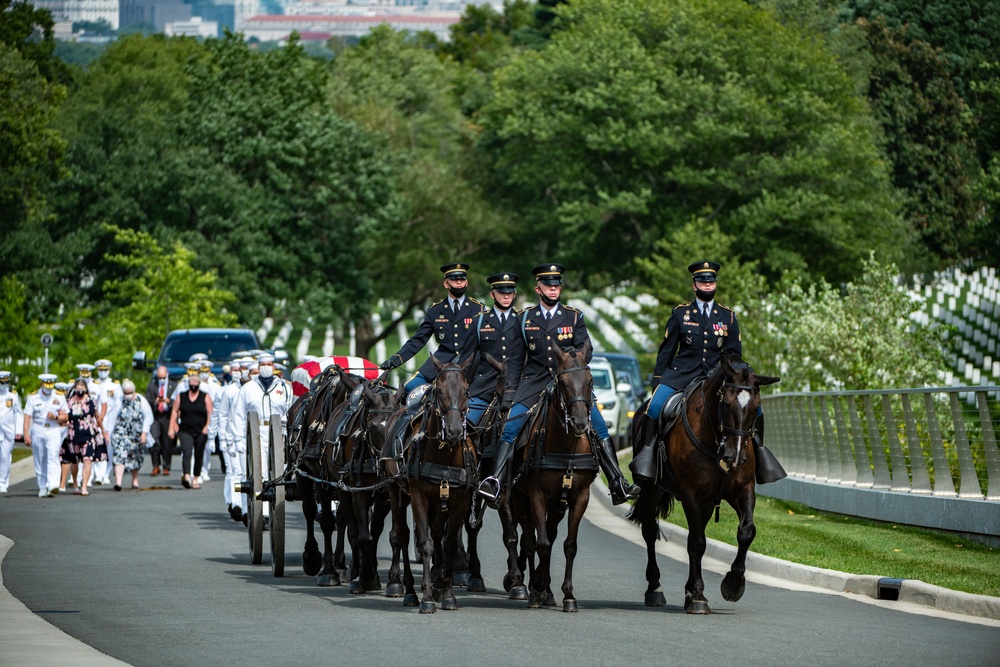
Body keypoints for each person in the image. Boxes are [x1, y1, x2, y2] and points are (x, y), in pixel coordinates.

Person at [478, 264, 640, 506]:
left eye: (557, 286)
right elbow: (513, 360)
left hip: (569, 384)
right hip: (534, 382)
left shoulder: (574, 317)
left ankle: (617, 482)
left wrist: (571, 365)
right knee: (511, 427)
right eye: (548, 286)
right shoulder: (524, 319)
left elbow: (587, 349)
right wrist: (510, 393)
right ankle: (496, 480)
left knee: (597, 426)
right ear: (538, 288)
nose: (553, 290)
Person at [629, 261, 742, 482]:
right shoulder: (681, 314)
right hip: (682, 374)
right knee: (654, 408)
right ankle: (647, 455)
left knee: (752, 410)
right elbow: (667, 350)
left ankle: (759, 454)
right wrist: (658, 381)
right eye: (702, 281)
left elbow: (734, 355)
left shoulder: (727, 316)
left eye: (710, 281)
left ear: (715, 284)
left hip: (716, 377)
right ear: (694, 285)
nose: (707, 285)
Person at [379, 262, 485, 397]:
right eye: (454, 279)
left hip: (469, 362)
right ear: (446, 284)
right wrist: (395, 360)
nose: (459, 282)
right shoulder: (436, 310)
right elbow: (418, 340)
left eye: (462, 279)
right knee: (409, 389)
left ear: (467, 282)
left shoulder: (478, 309)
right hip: (441, 361)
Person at [229, 353, 293, 521]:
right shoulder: (248, 388)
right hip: (257, 433)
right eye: (263, 364)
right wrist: (238, 440)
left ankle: (276, 506)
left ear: (273, 366)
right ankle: (263, 512)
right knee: (261, 473)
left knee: (279, 472)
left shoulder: (285, 387)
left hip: (280, 433)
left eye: (269, 364)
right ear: (258, 366)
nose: (266, 367)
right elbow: (238, 415)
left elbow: (291, 410)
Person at [458, 272, 523, 427]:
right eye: (502, 293)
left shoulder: (523, 320)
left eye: (510, 293)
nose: (506, 297)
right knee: (468, 425)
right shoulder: (479, 321)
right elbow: (467, 359)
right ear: (492, 294)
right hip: (484, 386)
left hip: (516, 386)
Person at [24, 373, 68, 497]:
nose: (49, 389)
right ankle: (42, 486)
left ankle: (53, 484)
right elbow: (27, 416)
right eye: (46, 386)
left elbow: (66, 416)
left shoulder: (59, 396)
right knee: (40, 458)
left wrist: (56, 417)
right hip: (38, 428)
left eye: (50, 386)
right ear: (41, 384)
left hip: (54, 429)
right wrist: (26, 434)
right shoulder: (33, 397)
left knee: (53, 456)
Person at [60, 378, 105, 496]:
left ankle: (84, 485)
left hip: (88, 434)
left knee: (87, 460)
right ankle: (75, 482)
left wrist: (102, 430)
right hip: (73, 434)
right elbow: (64, 417)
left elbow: (97, 416)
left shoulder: (91, 401)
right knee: (74, 461)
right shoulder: (69, 402)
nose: (80, 392)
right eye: (78, 390)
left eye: (82, 390)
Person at [167, 373, 212, 489]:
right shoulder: (181, 396)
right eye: (191, 384)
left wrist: (207, 426)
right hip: (185, 429)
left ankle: (195, 478)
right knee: (186, 452)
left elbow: (210, 412)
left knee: (198, 454)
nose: (193, 387)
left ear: (199, 385)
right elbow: (174, 411)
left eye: (195, 385)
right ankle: (186, 476)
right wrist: (173, 425)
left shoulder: (205, 396)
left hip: (200, 430)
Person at [110, 379, 153, 491]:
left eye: (130, 393)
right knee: (120, 455)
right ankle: (118, 482)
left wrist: (144, 433)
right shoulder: (119, 401)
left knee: (135, 457)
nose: (127, 395)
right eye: (126, 393)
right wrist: (108, 432)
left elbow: (148, 417)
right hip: (121, 433)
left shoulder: (141, 400)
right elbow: (112, 417)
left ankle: (135, 479)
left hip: (136, 433)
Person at [90, 358, 122, 486]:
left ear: (109, 370)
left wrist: (110, 425)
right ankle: (92, 474)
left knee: (109, 447)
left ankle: (106, 474)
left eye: (105, 370)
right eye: (101, 370)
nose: (103, 372)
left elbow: (117, 405)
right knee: (93, 446)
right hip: (94, 419)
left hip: (110, 418)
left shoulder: (114, 385)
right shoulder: (93, 384)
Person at [144, 365, 176, 476]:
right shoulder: (152, 386)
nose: (161, 380)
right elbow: (147, 401)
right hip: (155, 416)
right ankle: (155, 465)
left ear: (167, 375)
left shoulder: (173, 386)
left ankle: (166, 466)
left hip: (168, 416)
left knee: (167, 442)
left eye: (163, 377)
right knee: (154, 440)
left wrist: (168, 401)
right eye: (159, 378)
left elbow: (177, 403)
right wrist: (155, 402)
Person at [0, 370, 24, 494]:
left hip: (8, 431)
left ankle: (3, 482)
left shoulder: (13, 395)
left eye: (5, 382)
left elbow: (18, 414)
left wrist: (18, 430)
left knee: (5, 456)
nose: (3, 385)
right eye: (1, 382)